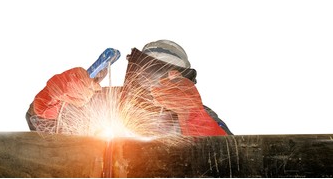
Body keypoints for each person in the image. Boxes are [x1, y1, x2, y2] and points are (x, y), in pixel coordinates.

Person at [26, 40, 232, 137]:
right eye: (149, 73)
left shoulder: (199, 113)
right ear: (135, 70)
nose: (154, 86)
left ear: (185, 81)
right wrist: (52, 97)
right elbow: (44, 126)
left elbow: (229, 161)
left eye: (167, 77)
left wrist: (193, 116)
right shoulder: (102, 103)